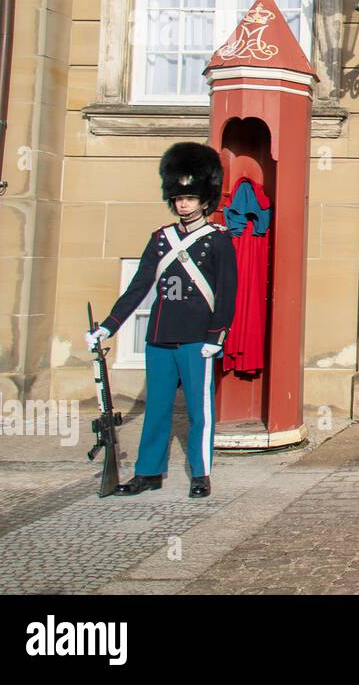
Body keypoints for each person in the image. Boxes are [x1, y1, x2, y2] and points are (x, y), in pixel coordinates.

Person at [84, 142, 237, 498]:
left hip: (198, 337)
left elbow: (228, 292)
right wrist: (109, 325)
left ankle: (200, 473)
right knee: (156, 409)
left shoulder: (217, 241)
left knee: (200, 411)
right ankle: (148, 472)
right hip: (161, 336)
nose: (183, 202)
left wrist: (216, 336)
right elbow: (139, 287)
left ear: (204, 199)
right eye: (179, 197)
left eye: (190, 196)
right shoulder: (160, 240)